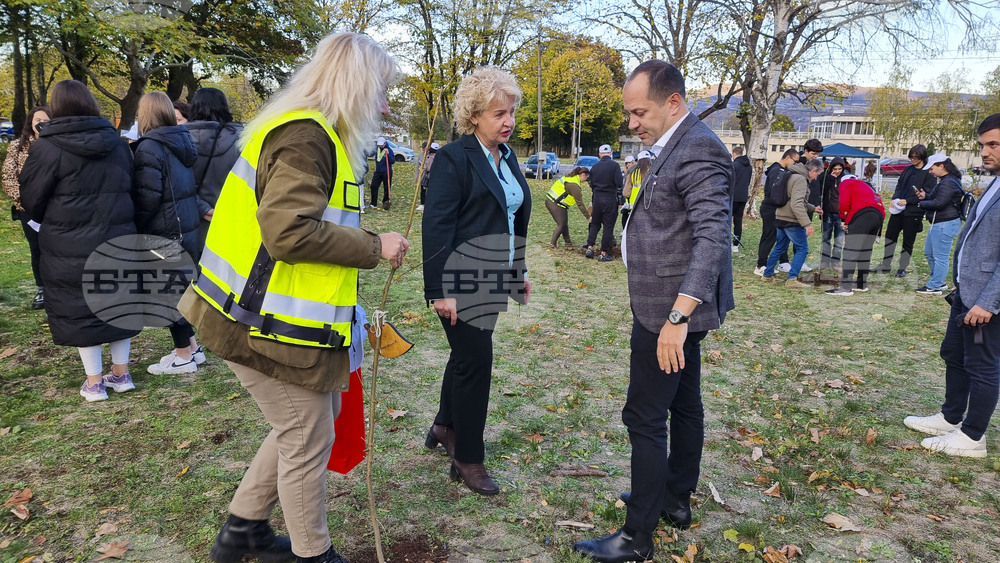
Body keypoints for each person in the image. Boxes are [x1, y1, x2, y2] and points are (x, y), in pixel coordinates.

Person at [180, 33, 409, 563]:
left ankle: (244, 530)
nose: (384, 106)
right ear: (355, 86)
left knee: (309, 423)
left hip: (270, 318)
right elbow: (289, 232)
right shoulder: (307, 137)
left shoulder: (313, 133)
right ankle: (314, 554)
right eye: (380, 91)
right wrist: (374, 245)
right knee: (306, 434)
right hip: (256, 320)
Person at [573, 60, 734, 563]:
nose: (632, 123)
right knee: (684, 402)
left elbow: (713, 239)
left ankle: (636, 535)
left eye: (639, 112)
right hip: (665, 304)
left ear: (673, 102)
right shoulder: (672, 144)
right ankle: (674, 498)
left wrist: (677, 320)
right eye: (629, 113)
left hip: (668, 311)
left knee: (644, 416)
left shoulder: (699, 148)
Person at [422, 66, 531, 496]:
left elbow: (514, 217)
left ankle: (443, 425)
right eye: (499, 113)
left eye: (511, 112)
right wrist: (440, 290)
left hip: (494, 275)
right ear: (473, 116)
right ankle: (467, 456)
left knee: (465, 358)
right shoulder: (454, 157)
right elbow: (436, 227)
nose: (509, 121)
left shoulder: (508, 156)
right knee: (477, 362)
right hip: (462, 277)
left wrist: (518, 271)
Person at [18, 80, 138, 402]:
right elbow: (133, 186)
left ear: (56, 106)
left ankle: (95, 382)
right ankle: (121, 374)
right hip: (117, 234)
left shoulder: (47, 147)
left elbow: (31, 198)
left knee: (79, 304)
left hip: (68, 242)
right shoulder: (117, 144)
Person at [903, 113, 1000, 457]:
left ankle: (973, 437)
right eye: (982, 145)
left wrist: (988, 302)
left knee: (982, 365)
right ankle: (950, 417)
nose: (984, 152)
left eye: (993, 144)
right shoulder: (995, 182)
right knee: (954, 353)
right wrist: (960, 282)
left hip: (986, 301)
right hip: (967, 291)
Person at [130, 91, 204, 375]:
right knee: (179, 289)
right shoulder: (181, 142)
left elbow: (147, 196)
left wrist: (137, 225)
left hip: (163, 230)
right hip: (185, 227)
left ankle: (183, 356)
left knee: (168, 294)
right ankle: (192, 349)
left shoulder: (150, 147)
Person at [185, 87, 245, 253]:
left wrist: (202, 207)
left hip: (189, 220)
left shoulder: (179, 138)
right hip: (230, 220)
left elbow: (173, 183)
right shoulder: (243, 139)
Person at [2, 105, 50, 309]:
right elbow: (8, 176)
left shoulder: (58, 145)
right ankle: (42, 289)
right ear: (31, 123)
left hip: (53, 207)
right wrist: (23, 200)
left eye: (46, 120)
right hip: (27, 208)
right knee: (36, 248)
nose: (41, 124)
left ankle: (59, 287)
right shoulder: (17, 146)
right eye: (38, 120)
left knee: (57, 248)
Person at [762, 158, 824, 288]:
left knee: (779, 246)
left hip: (781, 216)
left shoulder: (791, 174)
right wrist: (807, 224)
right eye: (817, 174)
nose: (816, 178)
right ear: (813, 170)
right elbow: (796, 204)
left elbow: (793, 200)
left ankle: (767, 275)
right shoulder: (801, 179)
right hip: (791, 220)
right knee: (803, 249)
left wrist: (813, 208)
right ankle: (792, 279)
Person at [877, 144, 935, 277]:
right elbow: (899, 185)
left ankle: (902, 268)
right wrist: (895, 198)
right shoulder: (908, 169)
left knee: (908, 241)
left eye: (915, 157)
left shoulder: (928, 173)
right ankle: (886, 265)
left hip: (914, 212)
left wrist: (908, 201)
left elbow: (927, 194)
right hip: (898, 210)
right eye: (911, 157)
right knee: (890, 237)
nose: (912, 159)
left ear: (922, 157)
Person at [824, 177, 885, 295]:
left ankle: (845, 286)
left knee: (850, 251)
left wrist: (843, 219)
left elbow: (844, 203)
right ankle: (861, 283)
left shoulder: (846, 183)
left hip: (863, 215)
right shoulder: (865, 186)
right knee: (865, 251)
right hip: (878, 216)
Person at [914, 153, 963, 296]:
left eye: (932, 169)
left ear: (941, 166)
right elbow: (933, 197)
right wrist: (925, 197)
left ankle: (935, 286)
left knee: (940, 256)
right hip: (939, 222)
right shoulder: (945, 180)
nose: (930, 172)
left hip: (945, 223)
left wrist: (921, 204)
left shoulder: (949, 182)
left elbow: (940, 203)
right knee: (929, 253)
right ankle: (938, 281)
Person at [754, 149, 797, 276]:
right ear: (788, 157)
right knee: (769, 236)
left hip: (773, 207)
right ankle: (760, 265)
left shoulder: (779, 170)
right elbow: (774, 192)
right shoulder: (777, 171)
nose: (795, 164)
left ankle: (766, 263)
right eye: (794, 161)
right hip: (770, 208)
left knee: (773, 236)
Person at [584, 143, 623, 262]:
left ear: (600, 154)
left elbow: (591, 183)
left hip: (597, 199)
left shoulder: (594, 167)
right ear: (610, 153)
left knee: (595, 224)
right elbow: (619, 183)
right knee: (608, 226)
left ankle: (590, 247)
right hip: (610, 199)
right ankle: (604, 253)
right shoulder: (615, 166)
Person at [545, 166, 591, 248]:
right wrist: (588, 216)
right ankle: (552, 244)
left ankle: (568, 243)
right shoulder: (574, 185)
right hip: (553, 202)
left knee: (564, 223)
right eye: (587, 177)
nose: (586, 180)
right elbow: (580, 204)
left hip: (559, 203)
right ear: (583, 174)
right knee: (561, 224)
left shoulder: (572, 178)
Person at [818, 157, 845, 271]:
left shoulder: (845, 179)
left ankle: (836, 261)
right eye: (835, 168)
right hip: (828, 212)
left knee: (839, 239)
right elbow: (821, 190)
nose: (837, 171)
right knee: (826, 238)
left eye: (839, 169)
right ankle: (824, 261)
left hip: (841, 214)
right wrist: (830, 178)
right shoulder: (825, 177)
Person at [621, 151, 651, 228]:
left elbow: (626, 193)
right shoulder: (653, 172)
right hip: (649, 204)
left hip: (634, 205)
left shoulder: (633, 173)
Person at [731, 146, 751, 252]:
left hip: (733, 196)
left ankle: (725, 241)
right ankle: (735, 245)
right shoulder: (749, 166)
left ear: (734, 154)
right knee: (738, 221)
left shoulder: (734, 165)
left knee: (727, 219)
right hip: (743, 196)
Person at [369, 136, 394, 209]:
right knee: (374, 186)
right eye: (379, 145)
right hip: (378, 171)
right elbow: (371, 154)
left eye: (382, 145)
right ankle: (373, 203)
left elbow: (393, 161)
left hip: (387, 171)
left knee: (387, 187)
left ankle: (385, 202)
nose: (380, 146)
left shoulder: (389, 150)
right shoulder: (377, 149)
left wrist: (388, 154)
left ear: (385, 143)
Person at [417, 141, 439, 211]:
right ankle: (423, 203)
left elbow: (429, 167)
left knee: (428, 190)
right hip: (427, 175)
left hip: (430, 176)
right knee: (423, 189)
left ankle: (428, 204)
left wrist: (424, 168)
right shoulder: (425, 155)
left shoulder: (433, 156)